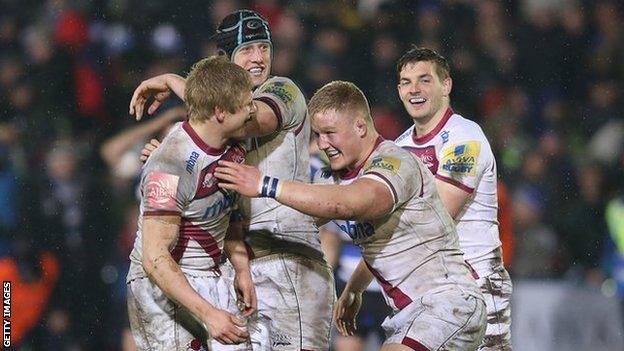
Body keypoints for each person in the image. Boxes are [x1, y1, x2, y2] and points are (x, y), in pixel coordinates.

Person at [215, 80, 486, 351]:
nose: (322, 144)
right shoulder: (336, 179)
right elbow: (298, 215)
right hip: (412, 314)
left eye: (330, 133)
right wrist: (354, 289)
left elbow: (354, 203)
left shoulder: (395, 162)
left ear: (360, 126)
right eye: (317, 134)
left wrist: (266, 184)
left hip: (448, 302)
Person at [129, 10, 334, 350]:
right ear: (224, 60)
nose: (259, 58)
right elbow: (213, 122)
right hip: (233, 267)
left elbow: (250, 116)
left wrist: (175, 82)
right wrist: (167, 156)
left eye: (264, 47)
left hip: (287, 262)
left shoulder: (282, 91)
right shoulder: (183, 152)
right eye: (248, 50)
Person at [126, 56, 257, 350]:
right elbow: (155, 258)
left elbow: (202, 97)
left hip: (211, 272)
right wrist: (209, 314)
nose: (253, 110)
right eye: (247, 104)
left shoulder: (229, 134)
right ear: (221, 112)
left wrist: (170, 79)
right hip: (163, 285)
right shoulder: (170, 165)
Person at [393, 45, 513, 350]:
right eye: (406, 82)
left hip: (477, 283)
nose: (414, 90)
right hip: (425, 288)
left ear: (446, 85)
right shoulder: (398, 147)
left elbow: (438, 214)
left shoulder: (465, 137)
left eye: (424, 80)